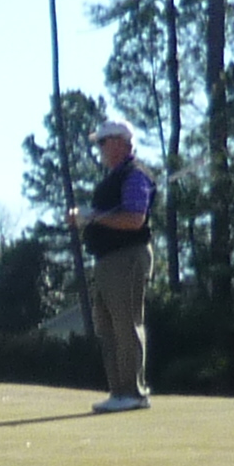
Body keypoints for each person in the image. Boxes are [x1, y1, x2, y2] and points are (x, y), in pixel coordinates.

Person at [66, 115, 154, 413]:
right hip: (108, 259)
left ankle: (133, 392)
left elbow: (135, 219)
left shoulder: (134, 175)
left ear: (119, 142)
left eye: (103, 142)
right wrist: (88, 217)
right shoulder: (116, 177)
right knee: (107, 325)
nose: (100, 149)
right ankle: (119, 392)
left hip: (127, 256)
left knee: (126, 323)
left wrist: (93, 217)